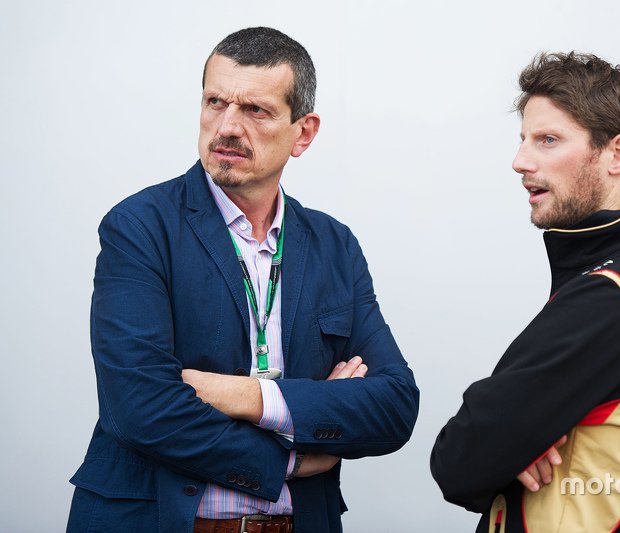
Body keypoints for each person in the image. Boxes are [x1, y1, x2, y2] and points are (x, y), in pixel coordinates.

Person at [67, 27, 419, 533]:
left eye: (255, 110)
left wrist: (246, 397)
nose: (227, 126)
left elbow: (394, 405)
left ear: (303, 132)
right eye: (215, 102)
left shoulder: (335, 245)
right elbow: (140, 408)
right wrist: (292, 456)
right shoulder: (140, 227)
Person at [430, 52, 620, 532]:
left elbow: (459, 457)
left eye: (548, 140)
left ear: (618, 154)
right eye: (523, 140)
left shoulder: (608, 299)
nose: (520, 162)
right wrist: (509, 450)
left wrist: (500, 454)